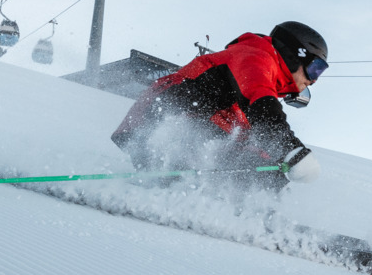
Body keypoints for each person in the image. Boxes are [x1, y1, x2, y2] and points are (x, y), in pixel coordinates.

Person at [112, 21, 327, 185]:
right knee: (222, 155)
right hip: (164, 114)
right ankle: (174, 193)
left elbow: (250, 130)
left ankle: (242, 213)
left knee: (267, 167)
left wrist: (274, 164)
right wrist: (293, 151)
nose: (314, 79)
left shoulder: (257, 75)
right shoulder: (257, 58)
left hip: (198, 120)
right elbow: (263, 109)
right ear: (294, 55)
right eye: (315, 67)